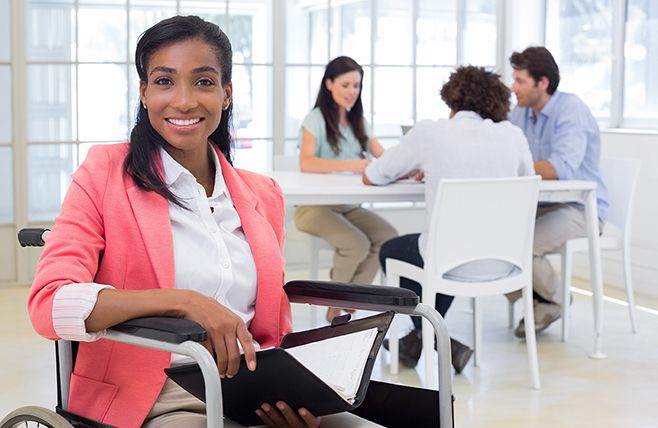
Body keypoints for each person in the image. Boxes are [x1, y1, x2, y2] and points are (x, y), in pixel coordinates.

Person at [28, 16, 318, 428]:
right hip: (158, 399)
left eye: (203, 82)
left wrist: (295, 395)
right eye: (164, 81)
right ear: (144, 92)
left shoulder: (262, 193)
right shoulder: (104, 172)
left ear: (226, 93)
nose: (184, 101)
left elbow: (274, 326)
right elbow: (49, 304)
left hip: (255, 393)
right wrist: (185, 301)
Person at [362, 65, 535, 373]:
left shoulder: (431, 132)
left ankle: (427, 337)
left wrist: (422, 167)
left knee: (394, 250)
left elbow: (374, 174)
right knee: (451, 247)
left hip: (452, 262)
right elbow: (523, 181)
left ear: (452, 99)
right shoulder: (514, 136)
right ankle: (427, 339)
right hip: (506, 262)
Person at [508, 47, 608, 338]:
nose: (514, 88)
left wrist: (509, 163)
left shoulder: (571, 109)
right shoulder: (521, 112)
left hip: (581, 209)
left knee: (520, 249)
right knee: (493, 243)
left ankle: (554, 300)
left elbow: (560, 168)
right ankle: (543, 299)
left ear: (543, 83)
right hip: (542, 205)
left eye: (520, 81)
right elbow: (507, 149)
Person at [295, 56, 397, 321]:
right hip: (313, 208)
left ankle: (352, 299)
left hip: (347, 206)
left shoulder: (359, 122)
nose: (352, 91)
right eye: (346, 85)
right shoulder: (314, 119)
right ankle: (335, 307)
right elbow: (306, 163)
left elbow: (383, 157)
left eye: (356, 85)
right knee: (356, 244)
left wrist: (408, 167)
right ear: (329, 84)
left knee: (388, 237)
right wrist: (352, 164)